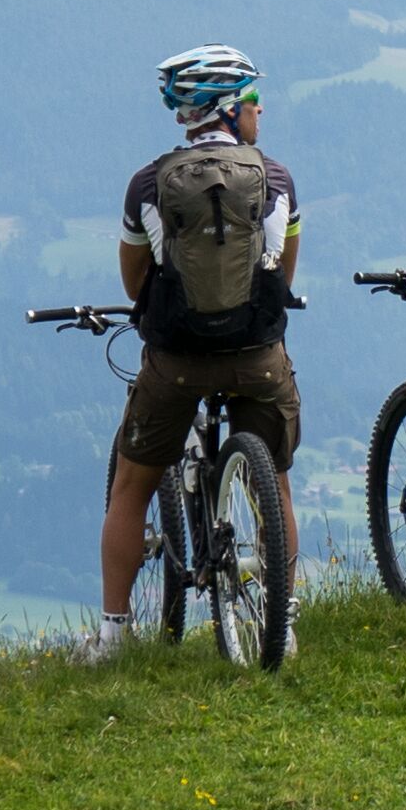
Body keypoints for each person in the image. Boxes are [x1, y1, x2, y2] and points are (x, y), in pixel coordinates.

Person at [95, 44, 301, 645]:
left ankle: (113, 637)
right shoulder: (278, 178)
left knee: (131, 488)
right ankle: (281, 626)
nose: (262, 111)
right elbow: (282, 276)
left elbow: (134, 282)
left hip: (176, 361)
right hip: (258, 356)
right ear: (230, 108)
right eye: (255, 100)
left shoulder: (148, 184)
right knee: (277, 484)